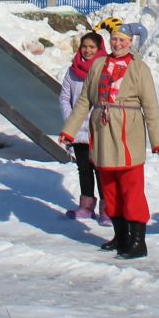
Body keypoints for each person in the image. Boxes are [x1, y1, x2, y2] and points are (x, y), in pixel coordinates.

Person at [59, 25, 159, 259]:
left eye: (122, 40)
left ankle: (138, 241)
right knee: (109, 186)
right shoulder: (99, 66)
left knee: (131, 187)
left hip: (128, 132)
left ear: (130, 43)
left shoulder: (139, 69)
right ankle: (121, 237)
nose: (117, 44)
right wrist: (69, 131)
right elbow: (84, 101)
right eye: (114, 40)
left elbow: (150, 105)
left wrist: (157, 139)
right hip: (103, 132)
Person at [60, 31, 107, 223]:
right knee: (84, 169)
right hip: (78, 129)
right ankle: (86, 207)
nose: (87, 50)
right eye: (84, 46)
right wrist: (71, 121)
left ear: (99, 49)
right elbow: (64, 97)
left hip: (99, 129)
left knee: (101, 169)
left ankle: (107, 209)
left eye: (92, 47)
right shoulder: (72, 71)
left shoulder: (105, 69)